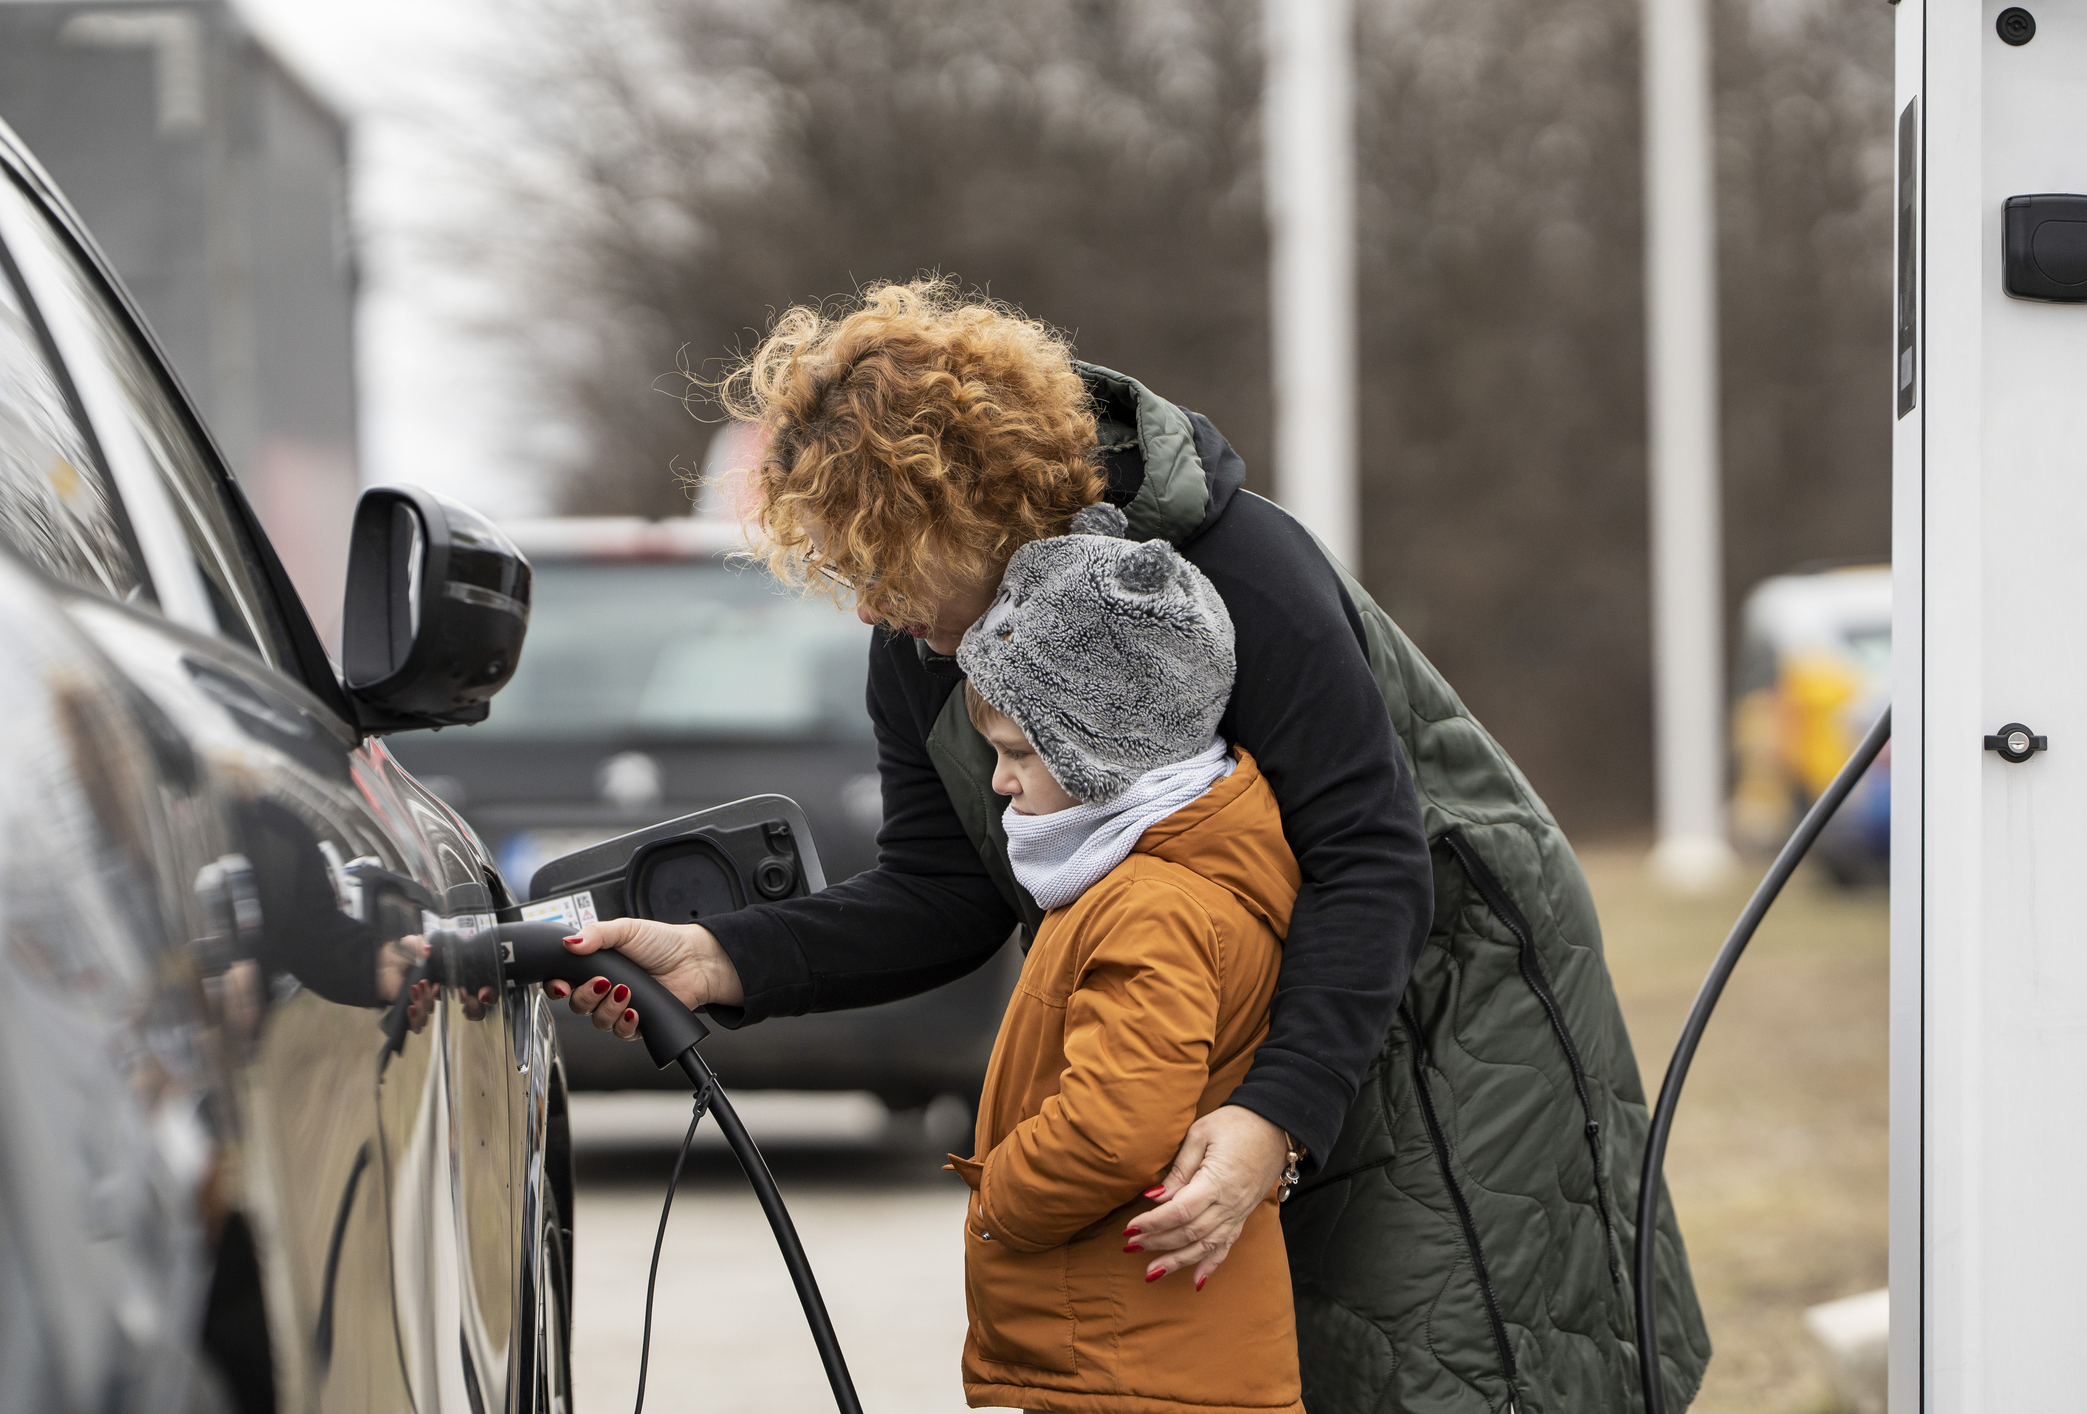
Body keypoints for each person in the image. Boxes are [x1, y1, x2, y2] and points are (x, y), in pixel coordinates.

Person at [550, 281, 1711, 1412]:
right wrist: (723, 956)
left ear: (965, 510)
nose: (866, 608)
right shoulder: (924, 652)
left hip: (1443, 982)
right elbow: (946, 893)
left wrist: (1277, 1115)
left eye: (881, 564)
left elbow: (1368, 853)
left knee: (1438, 1349)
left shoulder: (1232, 562)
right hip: (1230, 1001)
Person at [947, 516, 1300, 1413]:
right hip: (1139, 1353)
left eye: (1019, 754)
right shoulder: (1127, 881)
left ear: (1102, 749)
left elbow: (1113, 1127)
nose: (999, 782)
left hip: (1135, 1361)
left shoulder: (1150, 904)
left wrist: (1001, 1199)